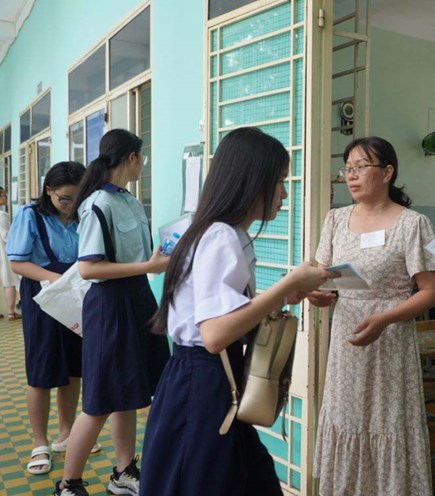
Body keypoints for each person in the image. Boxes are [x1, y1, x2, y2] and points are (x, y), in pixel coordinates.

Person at [139, 128, 332, 495]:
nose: (284, 194)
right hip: (205, 382)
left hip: (200, 378)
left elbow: (224, 315)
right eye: (278, 182)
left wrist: (287, 296)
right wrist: (287, 286)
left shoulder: (214, 232)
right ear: (252, 182)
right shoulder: (222, 236)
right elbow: (214, 335)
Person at [308, 136, 435, 495]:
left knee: (385, 420)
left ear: (387, 173)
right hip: (347, 339)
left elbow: (430, 291)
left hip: (390, 339)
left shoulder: (413, 224)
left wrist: (384, 319)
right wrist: (319, 294)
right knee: (347, 418)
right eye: (347, 168)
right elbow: (323, 275)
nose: (351, 176)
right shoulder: (335, 220)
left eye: (360, 167)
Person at [53, 130, 170, 496]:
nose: (143, 162)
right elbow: (89, 268)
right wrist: (148, 268)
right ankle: (68, 484)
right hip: (109, 306)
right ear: (132, 158)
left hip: (137, 300)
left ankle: (123, 472)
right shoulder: (97, 204)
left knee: (131, 391)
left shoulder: (130, 201)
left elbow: (140, 257)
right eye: (142, 156)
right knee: (101, 400)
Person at [6, 162, 87, 476]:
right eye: (64, 199)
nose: (70, 205)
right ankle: (39, 442)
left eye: (76, 199)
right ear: (48, 191)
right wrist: (57, 279)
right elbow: (18, 263)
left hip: (76, 296)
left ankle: (66, 434)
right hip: (43, 298)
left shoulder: (84, 214)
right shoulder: (31, 216)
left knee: (73, 368)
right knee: (41, 371)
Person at [0, 186, 20, 319]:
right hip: (3, 252)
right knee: (8, 281)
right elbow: (6, 235)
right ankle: (11, 312)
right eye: (4, 195)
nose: (6, 198)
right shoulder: (2, 215)